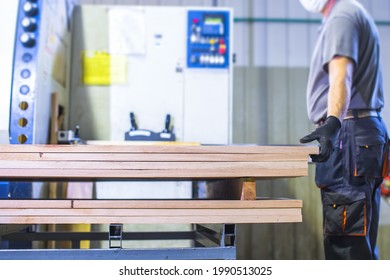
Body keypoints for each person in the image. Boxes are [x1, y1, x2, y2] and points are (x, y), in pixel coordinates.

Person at [299, 0, 389, 259]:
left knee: (347, 249)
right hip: (356, 133)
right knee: (357, 244)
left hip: (348, 134)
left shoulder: (342, 17)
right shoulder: (345, 15)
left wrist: (332, 123)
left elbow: (341, 76)